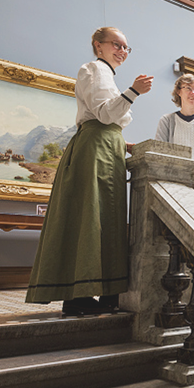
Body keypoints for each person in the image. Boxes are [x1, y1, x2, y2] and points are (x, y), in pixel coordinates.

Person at [26, 27, 153, 316]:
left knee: (108, 218)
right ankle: (78, 296)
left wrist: (121, 143)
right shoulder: (93, 69)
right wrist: (134, 91)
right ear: (98, 46)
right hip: (95, 149)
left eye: (126, 47)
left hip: (107, 148)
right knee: (89, 216)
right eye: (116, 45)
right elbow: (104, 114)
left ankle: (108, 292)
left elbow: (108, 119)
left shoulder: (106, 75)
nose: (122, 51)